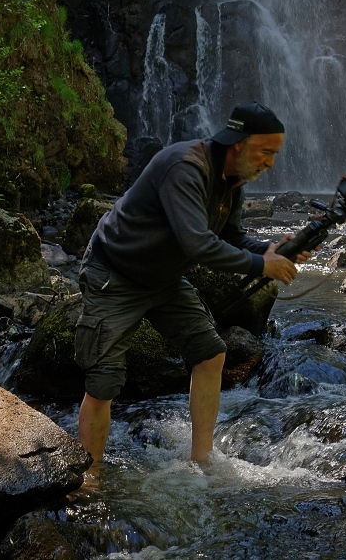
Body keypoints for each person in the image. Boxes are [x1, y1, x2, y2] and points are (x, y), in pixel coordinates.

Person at [74, 102, 310, 466]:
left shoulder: (232, 183)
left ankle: (202, 458)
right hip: (115, 273)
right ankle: (89, 477)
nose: (271, 163)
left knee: (211, 353)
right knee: (103, 382)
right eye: (266, 151)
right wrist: (263, 266)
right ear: (238, 144)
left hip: (163, 277)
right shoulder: (185, 167)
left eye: (274, 153)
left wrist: (273, 250)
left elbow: (231, 237)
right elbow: (198, 244)